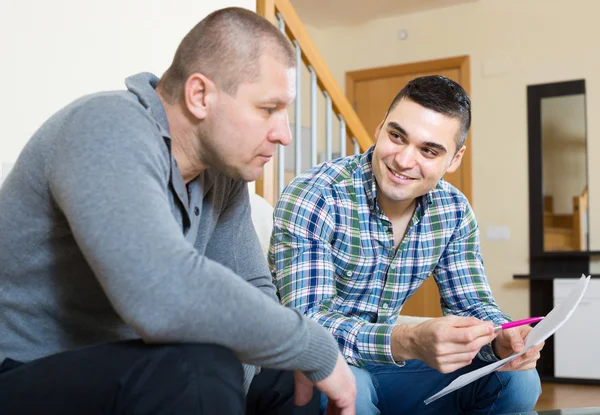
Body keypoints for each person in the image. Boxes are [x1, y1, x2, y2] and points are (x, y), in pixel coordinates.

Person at [0, 7, 356, 415]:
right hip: (22, 372)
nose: (285, 134)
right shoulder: (105, 127)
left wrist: (286, 359)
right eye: (268, 108)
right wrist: (313, 344)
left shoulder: (221, 177)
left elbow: (254, 287)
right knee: (198, 367)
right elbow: (160, 294)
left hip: (137, 372)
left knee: (294, 386)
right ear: (200, 95)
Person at [269, 75, 543, 415]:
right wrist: (409, 340)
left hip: (385, 368)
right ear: (380, 127)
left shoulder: (453, 211)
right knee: (353, 388)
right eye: (397, 137)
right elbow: (308, 327)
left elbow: (472, 303)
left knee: (518, 382)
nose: (403, 160)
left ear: (455, 159)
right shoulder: (316, 194)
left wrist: (502, 339)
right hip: (309, 367)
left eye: (429, 150)